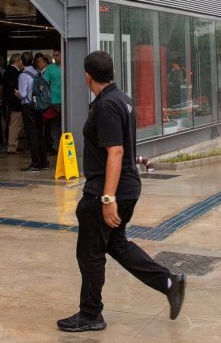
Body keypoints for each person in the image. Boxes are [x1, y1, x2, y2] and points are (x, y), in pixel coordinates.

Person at [57, 50, 185, 333]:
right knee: (117, 244)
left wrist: (107, 198)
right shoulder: (123, 99)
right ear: (112, 72)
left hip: (108, 189)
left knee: (90, 254)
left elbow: (115, 151)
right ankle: (169, 283)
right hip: (127, 185)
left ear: (87, 77)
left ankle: (90, 314)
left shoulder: (105, 105)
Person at [18, 52, 47, 172]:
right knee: (40, 134)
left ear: (21, 61)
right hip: (38, 106)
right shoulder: (37, 72)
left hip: (28, 107)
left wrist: (16, 93)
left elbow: (23, 94)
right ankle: (43, 162)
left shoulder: (23, 75)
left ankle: (35, 163)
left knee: (32, 135)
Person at [36, 52, 62, 154]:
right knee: (54, 126)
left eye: (57, 55)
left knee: (63, 125)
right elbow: (43, 83)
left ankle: (65, 147)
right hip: (54, 102)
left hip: (66, 101)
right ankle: (56, 147)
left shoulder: (68, 66)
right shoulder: (50, 68)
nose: (55, 57)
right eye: (54, 55)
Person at [4, 53, 24, 154]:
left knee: (13, 124)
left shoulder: (7, 71)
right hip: (15, 103)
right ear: (17, 61)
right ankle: (12, 146)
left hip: (9, 102)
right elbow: (16, 89)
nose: (22, 63)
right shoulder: (15, 73)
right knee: (15, 125)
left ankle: (14, 144)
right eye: (21, 61)